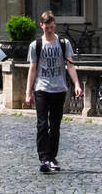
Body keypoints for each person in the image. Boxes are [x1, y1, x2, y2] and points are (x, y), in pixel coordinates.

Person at [24, 11, 82, 174]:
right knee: (42, 124)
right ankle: (44, 158)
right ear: (41, 26)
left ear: (54, 25)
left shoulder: (64, 43)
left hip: (59, 88)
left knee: (55, 126)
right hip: (42, 88)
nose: (49, 30)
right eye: (46, 27)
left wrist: (77, 84)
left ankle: (52, 157)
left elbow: (70, 65)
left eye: (52, 27)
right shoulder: (36, 45)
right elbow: (32, 69)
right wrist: (28, 92)